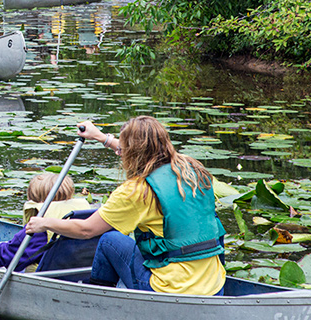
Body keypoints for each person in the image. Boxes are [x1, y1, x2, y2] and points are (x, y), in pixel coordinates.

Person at [25, 117, 226, 295]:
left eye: (124, 147)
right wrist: (101, 137)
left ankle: (97, 301)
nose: (120, 151)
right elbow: (145, 152)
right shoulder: (191, 169)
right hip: (215, 286)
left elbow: (86, 230)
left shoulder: (136, 191)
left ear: (132, 152)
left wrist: (46, 223)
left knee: (109, 240)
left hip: (168, 289)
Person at [0, 173, 90, 271]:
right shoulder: (81, 220)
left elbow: (0, 257)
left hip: (45, 278)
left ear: (34, 200)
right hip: (74, 273)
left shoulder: (39, 229)